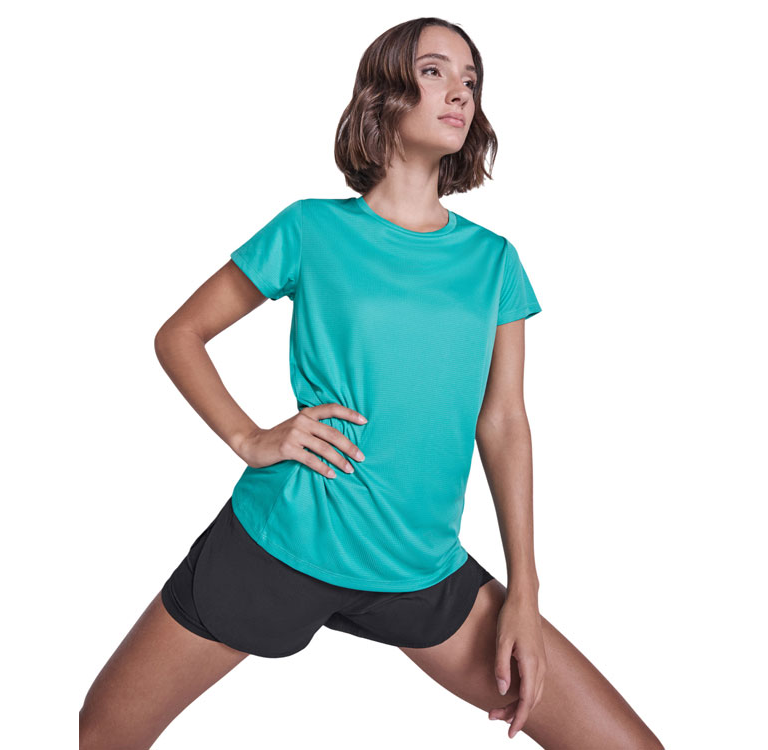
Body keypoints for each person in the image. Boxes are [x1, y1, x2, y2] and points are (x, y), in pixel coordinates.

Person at [79, 17, 663, 750]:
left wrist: (525, 591)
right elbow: (180, 335)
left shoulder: (494, 262)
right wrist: (250, 438)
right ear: (384, 93)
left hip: (420, 565)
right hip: (285, 541)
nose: (460, 92)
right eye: (434, 72)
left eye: (471, 80)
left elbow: (504, 422)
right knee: (107, 730)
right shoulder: (309, 229)